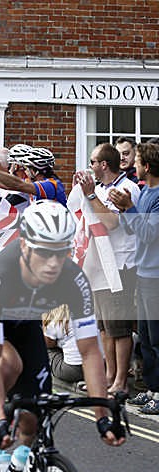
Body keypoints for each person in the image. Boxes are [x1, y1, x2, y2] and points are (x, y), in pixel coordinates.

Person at [0, 200, 125, 472]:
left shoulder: (74, 278)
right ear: (24, 246)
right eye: (45, 252)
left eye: (61, 253)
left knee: (33, 418)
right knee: (8, 364)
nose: (53, 263)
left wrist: (102, 414)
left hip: (23, 323)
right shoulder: (1, 271)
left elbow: (90, 352)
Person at [74, 142, 140, 395]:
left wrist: (90, 196)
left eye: (92, 161)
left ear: (103, 164)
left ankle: (121, 382)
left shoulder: (126, 187)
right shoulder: (99, 188)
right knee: (104, 327)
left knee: (119, 327)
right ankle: (109, 375)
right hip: (98, 265)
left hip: (119, 265)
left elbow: (110, 223)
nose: (89, 167)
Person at [110, 142, 159, 415]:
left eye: (137, 161)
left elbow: (151, 234)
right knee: (148, 339)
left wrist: (129, 207)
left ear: (147, 166)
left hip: (155, 276)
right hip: (143, 273)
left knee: (157, 338)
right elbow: (134, 230)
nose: (134, 165)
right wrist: (124, 210)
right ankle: (152, 390)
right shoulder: (147, 193)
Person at [43, 304, 84, 387]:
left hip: (72, 370)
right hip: (95, 366)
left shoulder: (55, 317)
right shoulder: (84, 311)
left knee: (44, 347)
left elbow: (48, 344)